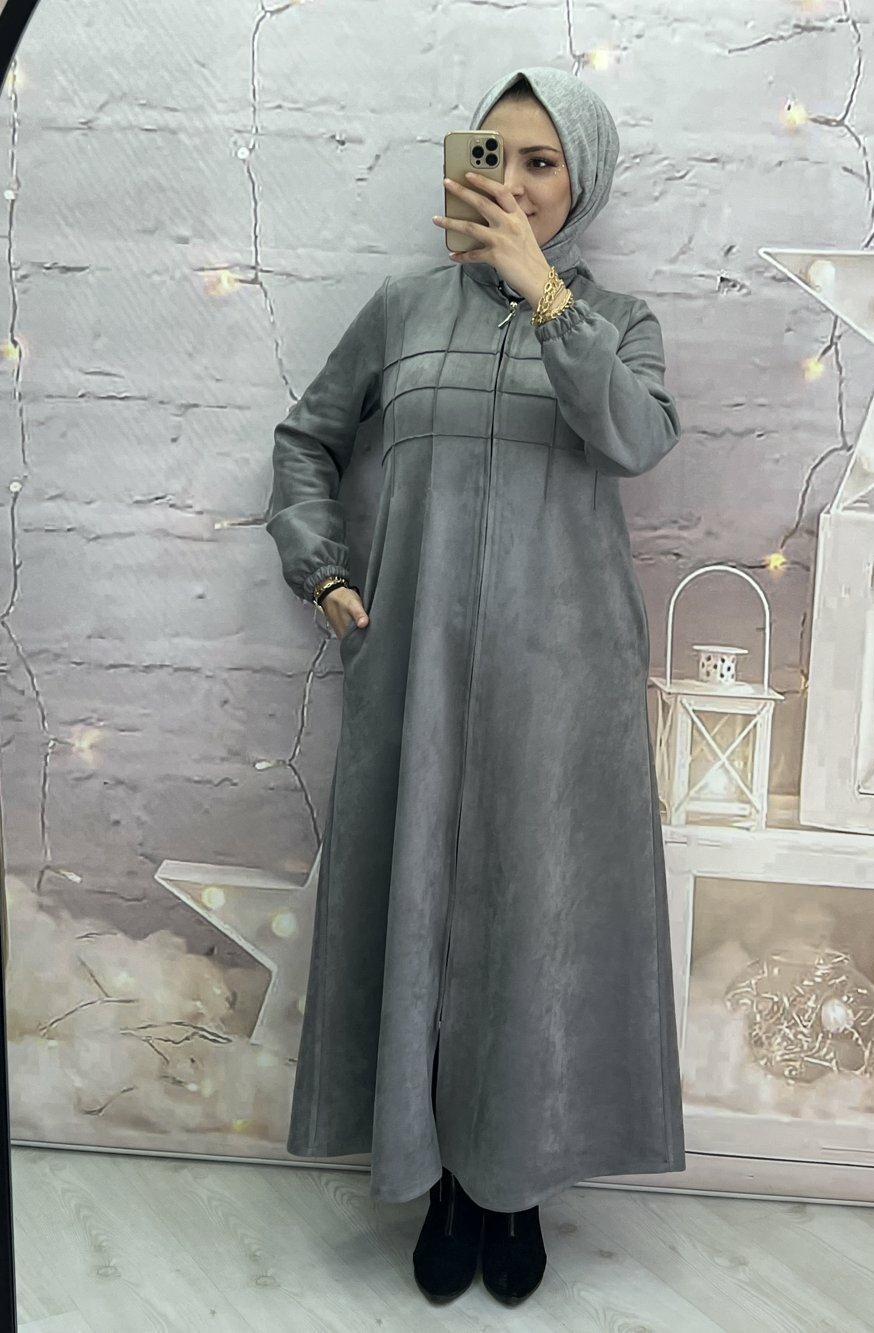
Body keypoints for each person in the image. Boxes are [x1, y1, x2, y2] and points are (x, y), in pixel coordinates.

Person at [265, 65, 686, 1307]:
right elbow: (306, 439)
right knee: (421, 911)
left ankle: (516, 1184)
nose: (513, 181)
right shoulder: (403, 308)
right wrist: (324, 570)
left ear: (581, 182)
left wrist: (545, 295)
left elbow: (637, 438)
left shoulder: (620, 322)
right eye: (493, 154)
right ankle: (440, 1179)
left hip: (564, 686)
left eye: (541, 161)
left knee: (538, 925)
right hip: (415, 667)